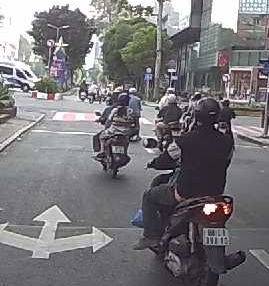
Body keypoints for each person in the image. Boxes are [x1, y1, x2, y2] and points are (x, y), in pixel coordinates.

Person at [134, 97, 235, 250]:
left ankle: (151, 236)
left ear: (197, 116)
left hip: (186, 193)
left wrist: (154, 163)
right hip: (215, 194)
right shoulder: (227, 142)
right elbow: (226, 162)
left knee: (149, 196)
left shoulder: (184, 140)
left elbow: (166, 159)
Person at [95, 93, 136, 161]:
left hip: (113, 131)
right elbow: (134, 122)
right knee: (126, 141)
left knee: (101, 137)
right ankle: (125, 153)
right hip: (126, 132)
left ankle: (102, 152)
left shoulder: (115, 110)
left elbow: (108, 121)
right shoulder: (131, 111)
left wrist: (106, 127)